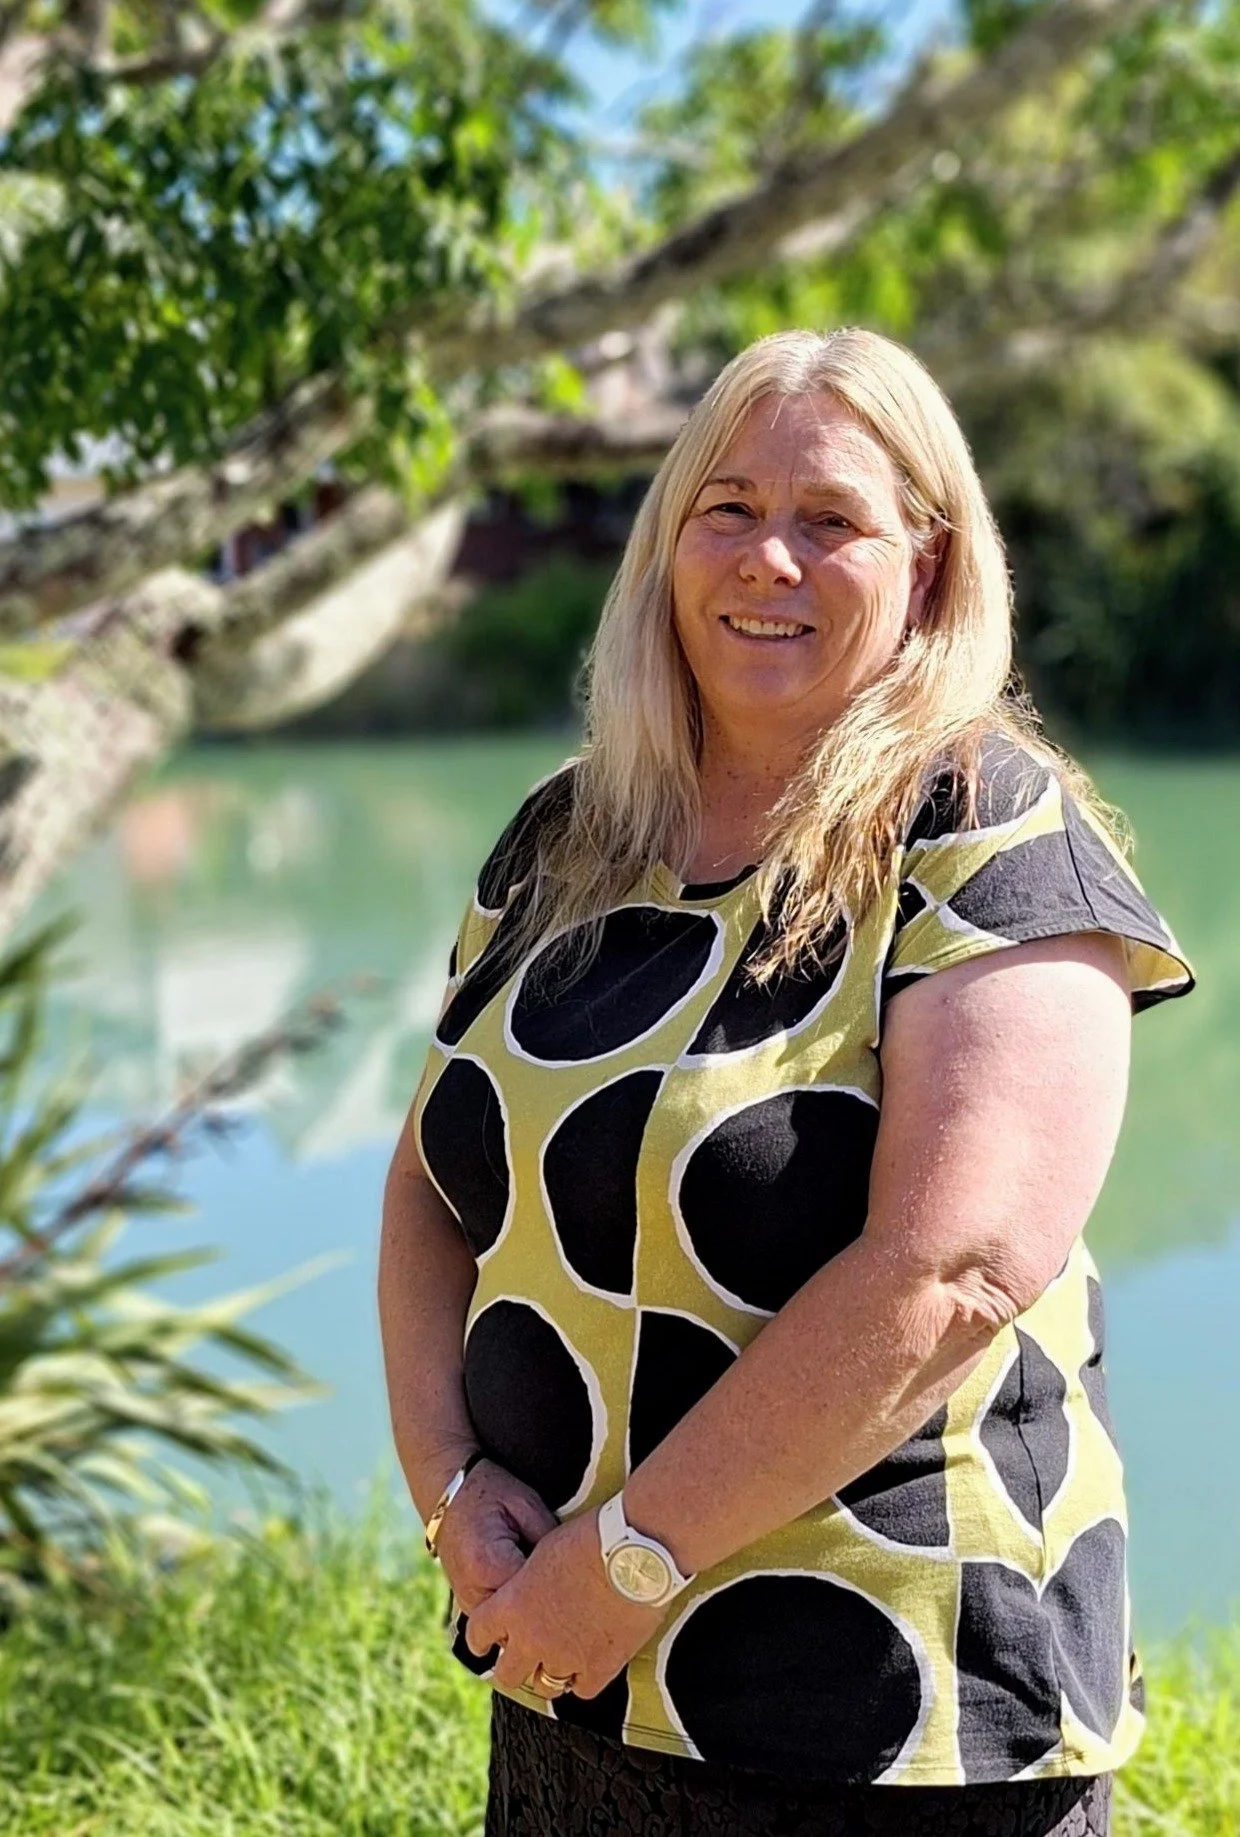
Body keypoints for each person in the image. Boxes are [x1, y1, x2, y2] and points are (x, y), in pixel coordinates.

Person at [377, 327, 1194, 1837]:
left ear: (930, 565)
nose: (772, 560)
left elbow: (952, 1272)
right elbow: (432, 1179)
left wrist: (631, 1560)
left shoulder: (989, 831)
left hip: (894, 1721)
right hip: (572, 1671)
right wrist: (450, 1485)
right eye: (731, 509)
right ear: (668, 544)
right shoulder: (573, 830)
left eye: (832, 521)